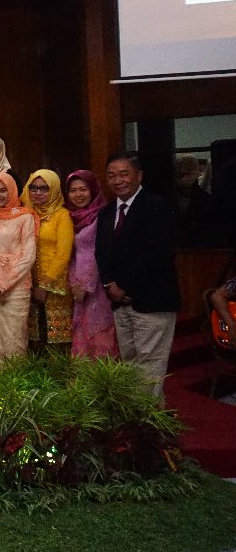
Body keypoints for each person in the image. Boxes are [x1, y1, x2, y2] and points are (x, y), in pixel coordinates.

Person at [96, 152, 180, 398]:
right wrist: (109, 285)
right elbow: (101, 253)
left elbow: (158, 255)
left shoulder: (157, 206)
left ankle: (146, 425)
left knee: (151, 365)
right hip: (119, 303)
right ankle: (142, 422)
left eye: (124, 174)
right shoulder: (107, 212)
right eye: (111, 175)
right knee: (131, 364)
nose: (117, 180)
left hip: (152, 301)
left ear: (139, 175)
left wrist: (126, 286)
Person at [0, 174, 38, 364]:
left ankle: (17, 384)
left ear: (12, 190)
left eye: (3, 190)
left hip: (17, 287)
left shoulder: (25, 216)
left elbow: (28, 256)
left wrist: (4, 283)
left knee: (15, 337)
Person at [64, 169, 117, 357]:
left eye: (83, 189)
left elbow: (101, 253)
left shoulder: (103, 215)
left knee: (100, 333)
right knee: (81, 331)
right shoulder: (70, 216)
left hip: (99, 286)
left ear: (93, 190)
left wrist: (85, 285)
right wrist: (74, 284)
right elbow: (72, 255)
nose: (78, 195)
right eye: (73, 190)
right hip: (77, 284)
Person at [23, 169, 75, 353]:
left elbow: (63, 254)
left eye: (44, 189)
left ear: (53, 190)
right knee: (34, 339)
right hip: (28, 285)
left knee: (56, 339)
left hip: (54, 287)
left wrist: (45, 286)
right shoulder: (26, 214)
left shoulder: (62, 215)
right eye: (33, 188)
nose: (38, 193)